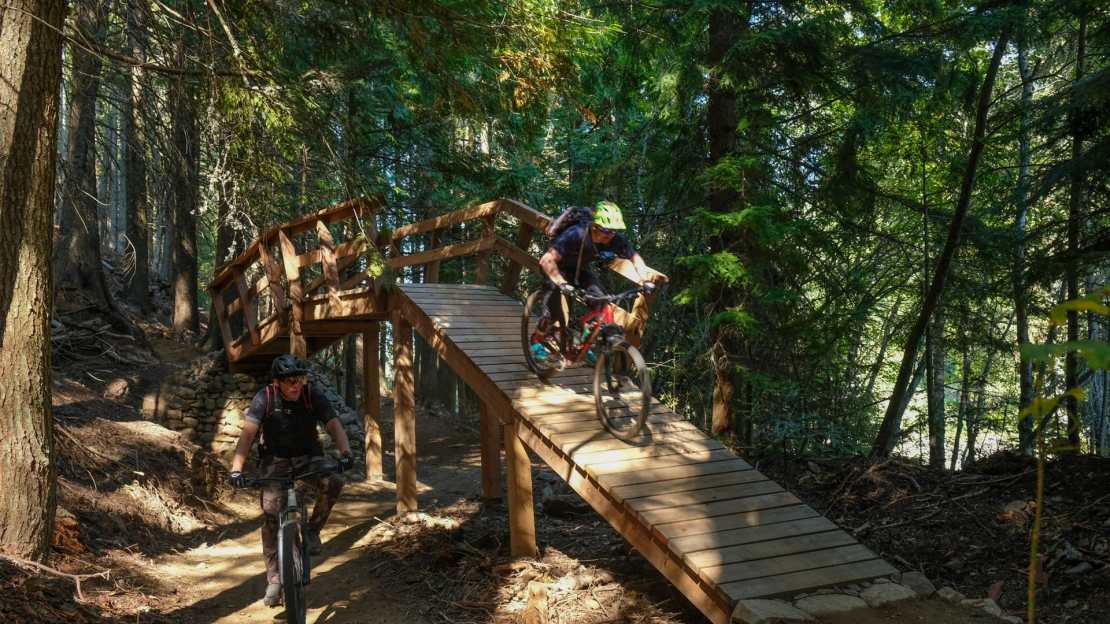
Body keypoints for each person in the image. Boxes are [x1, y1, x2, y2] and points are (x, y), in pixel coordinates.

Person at [227, 354, 354, 607]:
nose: (296, 385)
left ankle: (313, 531)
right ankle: (274, 578)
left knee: (335, 481)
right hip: (275, 460)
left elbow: (334, 424)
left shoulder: (311, 394)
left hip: (309, 457)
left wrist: (346, 453)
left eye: (300, 379)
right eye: (289, 381)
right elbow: (248, 435)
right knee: (272, 515)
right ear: (277, 383)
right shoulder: (265, 398)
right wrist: (236, 470)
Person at [532, 200, 666, 361]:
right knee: (554, 312)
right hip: (555, 269)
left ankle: (582, 340)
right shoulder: (576, 233)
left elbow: (634, 257)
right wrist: (561, 282)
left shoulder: (614, 239)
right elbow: (546, 259)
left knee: (601, 300)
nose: (610, 235)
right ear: (595, 226)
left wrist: (645, 280)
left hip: (578, 270)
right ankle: (536, 340)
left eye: (614, 231)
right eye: (606, 230)